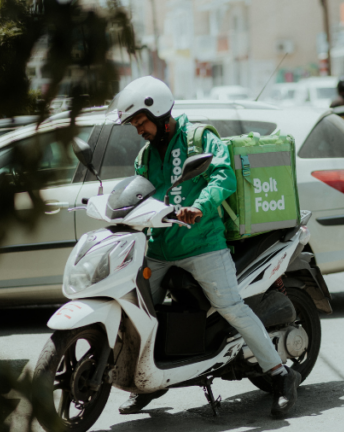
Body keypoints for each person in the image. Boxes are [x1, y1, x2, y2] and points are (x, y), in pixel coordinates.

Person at [111, 76, 301, 418]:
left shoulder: (198, 137)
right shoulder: (145, 156)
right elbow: (139, 193)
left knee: (231, 307)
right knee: (136, 312)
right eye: (134, 125)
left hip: (202, 244)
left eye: (141, 122)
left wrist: (199, 206)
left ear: (158, 113)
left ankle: (280, 374)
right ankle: (148, 383)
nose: (138, 130)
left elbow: (223, 176)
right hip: (159, 247)